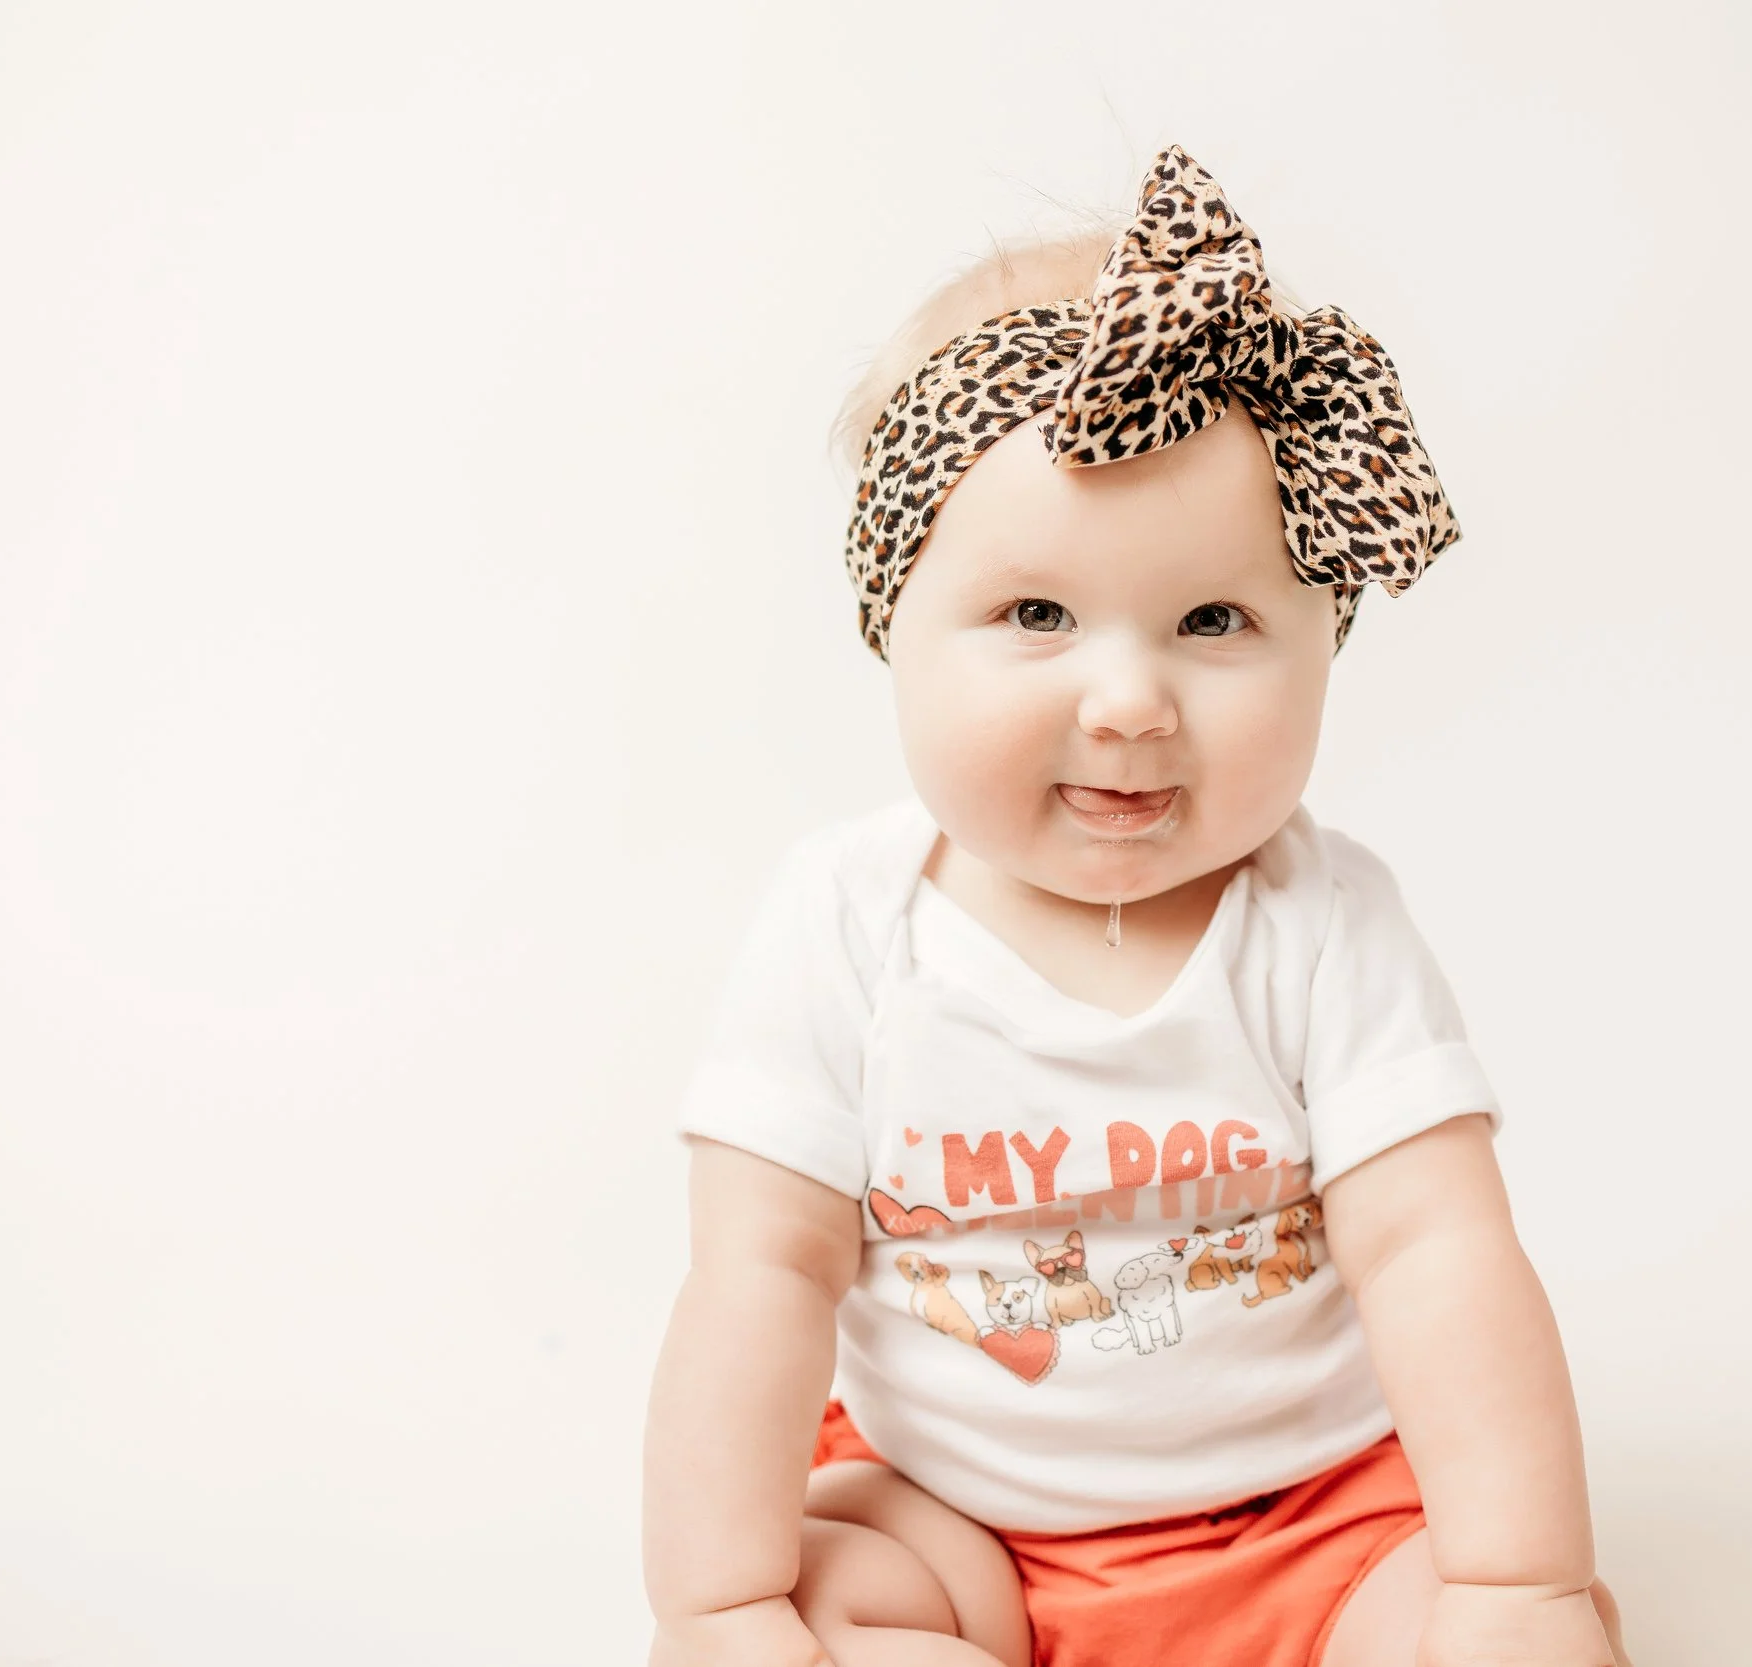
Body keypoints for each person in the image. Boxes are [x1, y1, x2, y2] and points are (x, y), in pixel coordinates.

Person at [642, 145, 1633, 1667]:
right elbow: (760, 1271)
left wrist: (1516, 1578)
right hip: (953, 1517)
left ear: (1322, 640)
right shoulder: (849, 926)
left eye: (1214, 619)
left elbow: (1439, 1251)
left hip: (1316, 1517)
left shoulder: (1323, 922)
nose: (1127, 700)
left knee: (1506, 1643)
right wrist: (718, 1602)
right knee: (834, 1610)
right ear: (893, 621)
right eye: (1037, 614)